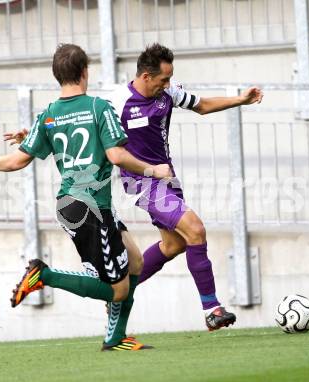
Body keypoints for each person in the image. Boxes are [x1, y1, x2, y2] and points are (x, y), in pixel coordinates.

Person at [0, 43, 172, 351]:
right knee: (116, 290)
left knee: (136, 261)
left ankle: (115, 337)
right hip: (89, 207)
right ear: (84, 72)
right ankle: (44, 275)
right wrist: (153, 170)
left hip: (79, 204)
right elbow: (116, 155)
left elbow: (17, 161)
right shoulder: (97, 107)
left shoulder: (49, 115)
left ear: (57, 75)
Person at [106, 43, 263, 331]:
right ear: (145, 77)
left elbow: (201, 105)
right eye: (163, 79)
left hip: (167, 179)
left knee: (174, 244)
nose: (168, 84)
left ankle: (118, 291)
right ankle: (211, 308)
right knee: (195, 228)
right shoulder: (117, 102)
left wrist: (239, 100)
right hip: (140, 182)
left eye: (169, 78)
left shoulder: (168, 91)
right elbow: (90, 134)